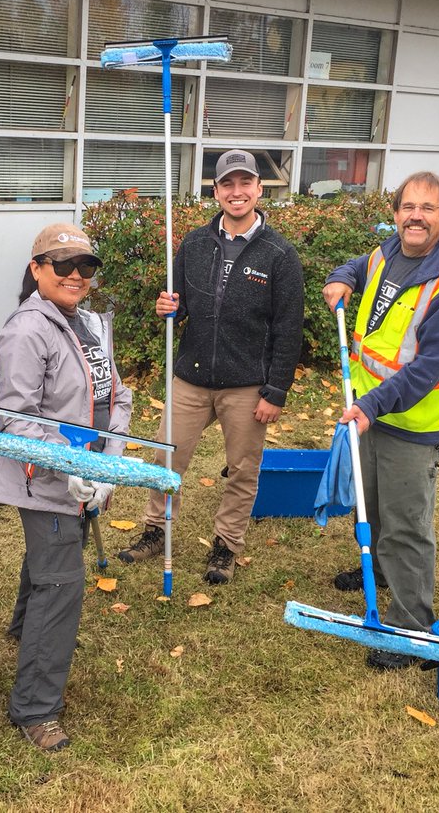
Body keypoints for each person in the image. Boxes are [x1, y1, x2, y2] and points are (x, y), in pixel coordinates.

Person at [117, 150, 305, 584]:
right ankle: (154, 531)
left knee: (242, 469)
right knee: (166, 459)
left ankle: (226, 546)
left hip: (247, 385)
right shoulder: (194, 244)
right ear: (216, 191)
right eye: (227, 184)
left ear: (259, 189)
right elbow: (177, 305)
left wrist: (275, 391)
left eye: (245, 184)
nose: (236, 192)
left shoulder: (280, 254)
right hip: (192, 377)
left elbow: (288, 329)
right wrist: (166, 307)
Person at [322, 171, 439, 671]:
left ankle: (412, 628)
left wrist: (369, 408)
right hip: (369, 411)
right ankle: (381, 569)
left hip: (413, 424)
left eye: (428, 208)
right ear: (395, 214)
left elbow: (426, 371)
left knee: (407, 524)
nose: (416, 216)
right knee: (370, 503)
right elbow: (358, 263)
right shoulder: (386, 253)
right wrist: (343, 277)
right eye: (407, 207)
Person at [0, 223, 132, 753]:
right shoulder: (28, 330)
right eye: (61, 264)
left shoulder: (88, 323)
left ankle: (24, 629)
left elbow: (118, 398)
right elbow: (15, 421)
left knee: (50, 559)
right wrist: (71, 466)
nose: (75, 275)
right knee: (62, 583)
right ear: (37, 269)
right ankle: (35, 708)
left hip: (86, 475)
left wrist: (108, 465)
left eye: (85, 266)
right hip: (43, 480)